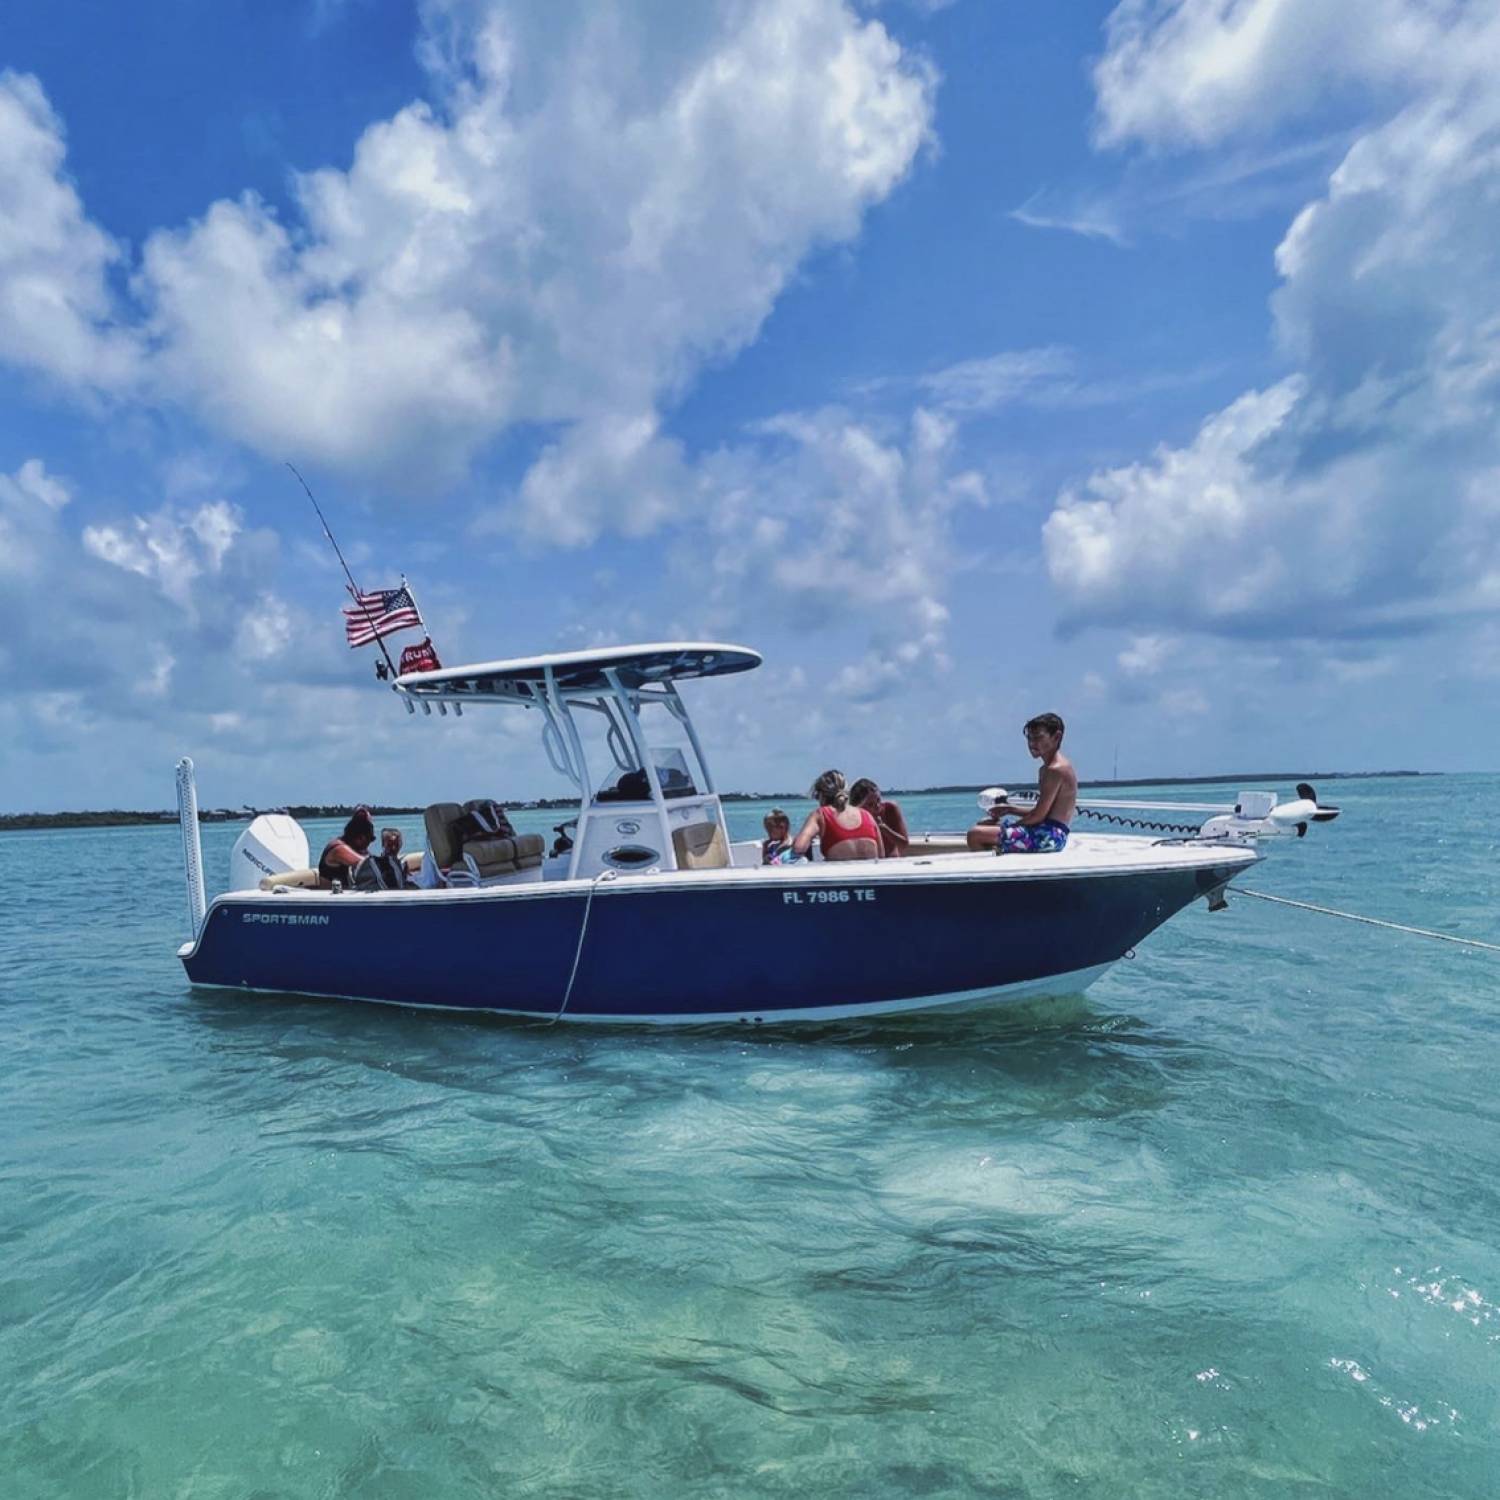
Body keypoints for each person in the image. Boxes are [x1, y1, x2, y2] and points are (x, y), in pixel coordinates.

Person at [967, 713, 1077, 854]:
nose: (1032, 743)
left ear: (1056, 737)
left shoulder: (1055, 770)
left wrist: (1011, 826)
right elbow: (1043, 813)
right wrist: (1010, 809)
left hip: (1048, 836)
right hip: (1045, 831)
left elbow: (1038, 816)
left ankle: (991, 871)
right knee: (985, 826)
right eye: (1030, 738)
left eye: (1038, 738)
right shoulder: (1046, 770)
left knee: (975, 834)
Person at [792, 769, 881, 862]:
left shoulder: (821, 814)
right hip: (870, 874)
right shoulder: (867, 815)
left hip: (841, 875)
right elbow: (881, 856)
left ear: (821, 796)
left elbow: (799, 848)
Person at [849, 778, 910, 858]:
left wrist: (884, 829)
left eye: (878, 800)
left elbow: (904, 844)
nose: (877, 806)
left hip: (892, 861)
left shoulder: (890, 809)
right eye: (870, 804)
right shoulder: (852, 818)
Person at [318, 806, 375, 887]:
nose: (368, 845)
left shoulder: (355, 849)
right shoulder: (339, 849)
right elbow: (368, 865)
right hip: (332, 898)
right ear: (360, 837)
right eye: (369, 840)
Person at [355, 827, 413, 891]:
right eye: (389, 845)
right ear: (383, 844)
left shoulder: (402, 865)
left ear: (401, 844)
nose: (393, 848)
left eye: (396, 844)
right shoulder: (376, 865)